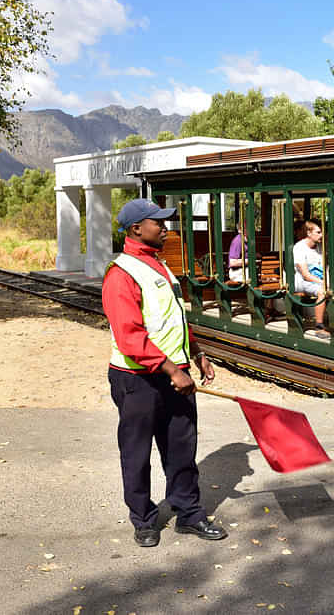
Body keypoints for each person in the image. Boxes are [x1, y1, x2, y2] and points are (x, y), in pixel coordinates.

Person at [102, 198, 228, 548]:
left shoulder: (160, 267)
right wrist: (172, 370)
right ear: (136, 229)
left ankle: (189, 513)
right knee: (137, 452)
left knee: (181, 448)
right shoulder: (121, 274)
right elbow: (130, 337)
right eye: (157, 222)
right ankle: (143, 520)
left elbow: (175, 320)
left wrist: (197, 354)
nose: (165, 227)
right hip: (138, 379)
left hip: (176, 372)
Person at [293, 220, 330, 339]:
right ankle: (319, 327)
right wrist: (323, 283)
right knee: (322, 291)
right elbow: (305, 274)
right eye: (318, 232)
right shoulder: (299, 248)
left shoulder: (320, 247)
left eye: (322, 232)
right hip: (303, 282)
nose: (321, 235)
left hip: (318, 281)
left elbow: (325, 267)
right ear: (309, 233)